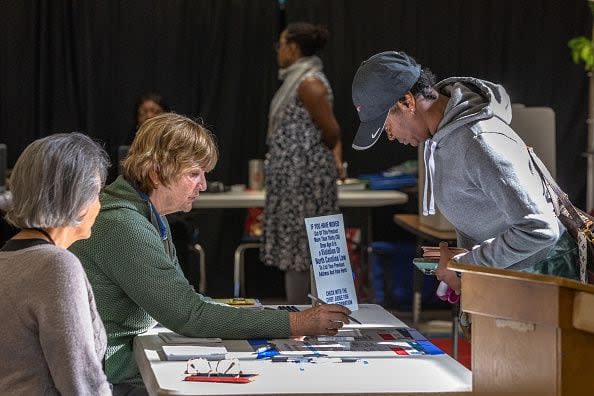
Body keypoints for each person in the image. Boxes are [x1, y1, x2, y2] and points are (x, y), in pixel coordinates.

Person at [70, 112, 351, 392]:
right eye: (193, 174)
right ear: (155, 174)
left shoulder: (146, 213)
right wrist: (294, 322)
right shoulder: (124, 224)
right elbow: (190, 315)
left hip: (129, 361)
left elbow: (186, 303)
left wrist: (276, 320)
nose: (203, 185)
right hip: (113, 377)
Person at [351, 50, 579, 295]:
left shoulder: (479, 142)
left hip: (541, 284)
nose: (392, 136)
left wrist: (463, 266)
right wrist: (465, 264)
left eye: (387, 127)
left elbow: (540, 229)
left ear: (407, 102)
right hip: (510, 281)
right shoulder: (444, 138)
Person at [0, 133, 111, 395]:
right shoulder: (57, 266)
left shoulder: (8, 260)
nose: (99, 204)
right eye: (97, 194)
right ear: (78, 199)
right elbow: (83, 385)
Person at [262, 22, 344, 304]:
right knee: (296, 250)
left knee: (306, 250)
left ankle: (312, 313)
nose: (278, 51)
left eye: (281, 44)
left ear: (293, 48)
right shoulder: (296, 80)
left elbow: (331, 131)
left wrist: (305, 158)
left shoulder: (309, 83)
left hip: (305, 181)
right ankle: (301, 313)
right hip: (294, 179)